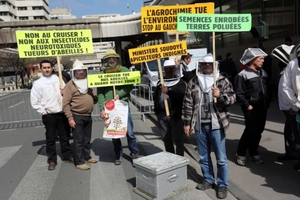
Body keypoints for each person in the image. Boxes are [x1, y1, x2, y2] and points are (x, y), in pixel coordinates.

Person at [182, 53, 236, 199]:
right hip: (199, 125)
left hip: (217, 125)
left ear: (214, 65)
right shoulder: (194, 82)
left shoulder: (222, 80)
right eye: (204, 64)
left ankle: (222, 185)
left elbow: (232, 99)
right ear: (200, 66)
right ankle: (208, 179)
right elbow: (187, 104)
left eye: (210, 64)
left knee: (221, 158)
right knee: (203, 156)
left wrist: (220, 96)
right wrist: (187, 123)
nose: (207, 66)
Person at [97, 49, 139, 165]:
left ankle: (134, 152)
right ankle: (118, 153)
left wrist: (119, 94)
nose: (111, 60)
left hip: (123, 105)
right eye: (109, 58)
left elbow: (129, 85)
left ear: (116, 59)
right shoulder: (102, 74)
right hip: (109, 107)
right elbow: (100, 92)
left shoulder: (124, 70)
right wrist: (101, 108)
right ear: (106, 60)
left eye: (113, 58)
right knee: (114, 131)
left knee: (129, 131)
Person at [30, 60, 73, 171]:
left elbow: (68, 93)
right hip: (49, 115)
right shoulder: (38, 83)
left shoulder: (59, 79)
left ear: (52, 68)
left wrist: (65, 92)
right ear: (41, 69)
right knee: (50, 138)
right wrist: (44, 112)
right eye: (44, 68)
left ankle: (67, 155)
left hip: (62, 112)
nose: (47, 69)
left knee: (65, 136)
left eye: (49, 67)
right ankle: (52, 160)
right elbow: (34, 100)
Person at [235, 48, 272, 166]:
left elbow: (267, 89)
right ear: (252, 59)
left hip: (263, 107)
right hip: (251, 108)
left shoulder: (263, 73)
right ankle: (240, 153)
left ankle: (253, 153)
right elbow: (239, 93)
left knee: (259, 131)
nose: (263, 61)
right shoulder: (242, 75)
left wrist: (268, 101)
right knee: (250, 130)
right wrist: (247, 105)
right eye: (260, 58)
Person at [63, 59, 98, 170]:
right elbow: (65, 104)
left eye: (83, 71)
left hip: (88, 116)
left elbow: (92, 97)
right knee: (78, 140)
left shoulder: (88, 83)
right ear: (74, 72)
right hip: (76, 116)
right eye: (78, 71)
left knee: (87, 139)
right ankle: (79, 161)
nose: (81, 73)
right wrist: (70, 118)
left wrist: (94, 98)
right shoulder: (70, 85)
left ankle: (86, 156)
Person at [271, 44, 298, 162]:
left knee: (296, 135)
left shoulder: (295, 69)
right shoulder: (288, 69)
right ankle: (291, 153)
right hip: (288, 109)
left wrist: (295, 107)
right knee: (289, 133)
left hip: (294, 109)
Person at [154, 60, 186, 156]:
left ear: (175, 69)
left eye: (171, 68)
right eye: (166, 69)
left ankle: (180, 159)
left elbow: (181, 97)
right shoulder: (160, 83)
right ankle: (171, 158)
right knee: (166, 139)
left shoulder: (180, 83)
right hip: (162, 115)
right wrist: (157, 111)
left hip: (175, 114)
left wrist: (168, 92)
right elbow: (156, 97)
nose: (168, 70)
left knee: (178, 139)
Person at [281, 43, 300, 170]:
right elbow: (286, 87)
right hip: (296, 109)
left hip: (295, 108)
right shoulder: (292, 65)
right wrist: (296, 105)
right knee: (297, 137)